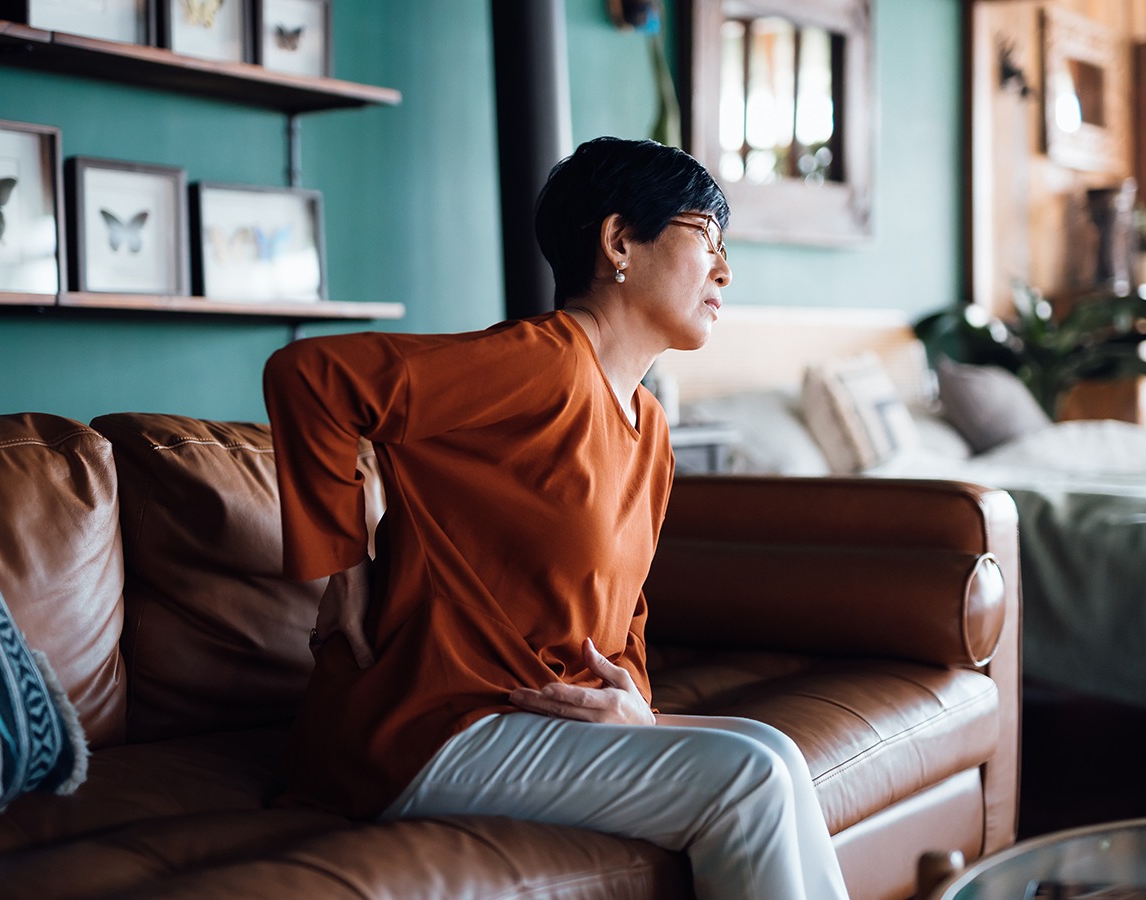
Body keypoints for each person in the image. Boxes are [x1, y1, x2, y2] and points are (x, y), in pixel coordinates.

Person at [263, 137, 850, 900]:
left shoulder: (651, 427)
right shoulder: (543, 362)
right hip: (429, 725)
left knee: (772, 750)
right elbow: (311, 378)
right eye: (706, 235)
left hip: (542, 719)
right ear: (619, 243)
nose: (725, 269)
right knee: (744, 778)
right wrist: (343, 569)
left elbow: (625, 611)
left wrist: (632, 702)